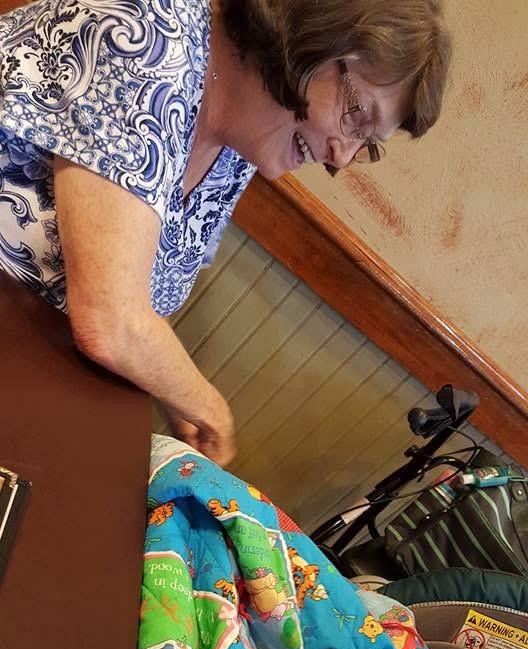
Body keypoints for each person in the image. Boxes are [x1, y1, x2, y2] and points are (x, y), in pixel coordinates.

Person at [0, 0, 451, 465]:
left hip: (31, 367)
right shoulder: (147, 35)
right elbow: (111, 321)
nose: (341, 157)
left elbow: (136, 289)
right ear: (315, 33)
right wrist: (211, 410)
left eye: (366, 147)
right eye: (357, 118)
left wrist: (177, 400)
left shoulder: (240, 146)